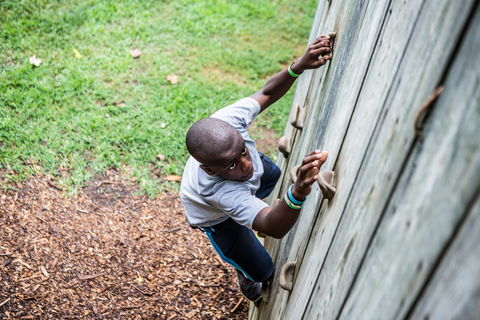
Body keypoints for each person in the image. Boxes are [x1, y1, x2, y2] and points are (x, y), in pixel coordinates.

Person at [180, 34, 332, 303]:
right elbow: (273, 227)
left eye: (242, 151)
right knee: (264, 270)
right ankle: (246, 275)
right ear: (209, 169)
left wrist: (299, 65)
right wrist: (298, 191)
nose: (246, 164)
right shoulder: (218, 189)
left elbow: (267, 93)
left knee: (271, 174)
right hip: (216, 219)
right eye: (232, 164)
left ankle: (250, 207)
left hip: (235, 188)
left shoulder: (228, 121)